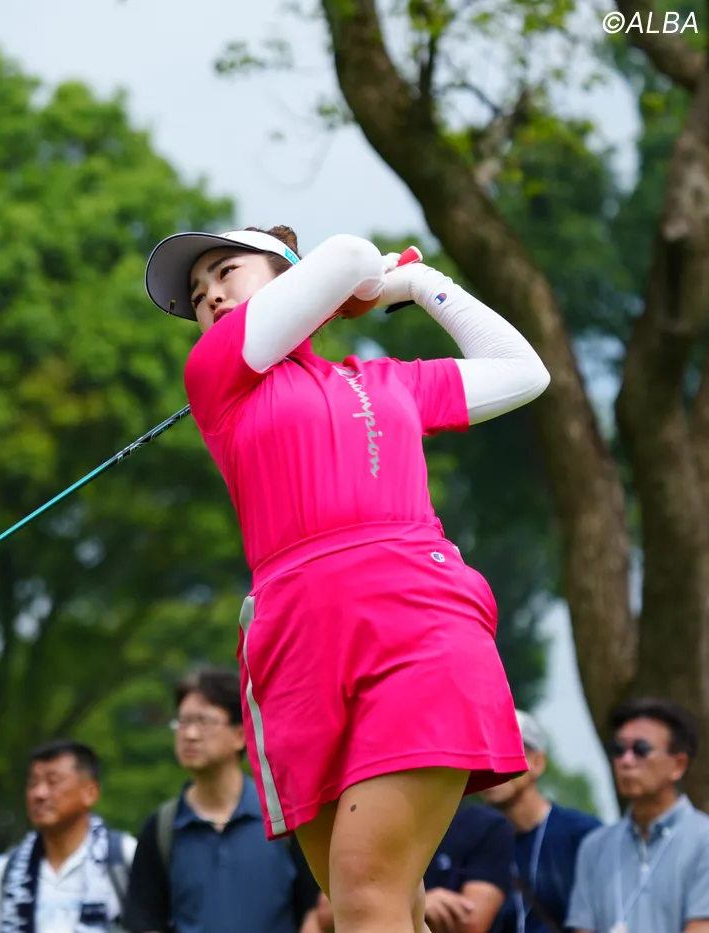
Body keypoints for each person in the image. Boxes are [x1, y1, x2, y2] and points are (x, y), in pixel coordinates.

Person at [143, 226, 551, 933]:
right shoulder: (215, 372)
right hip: (293, 651)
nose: (208, 296)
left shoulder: (388, 382)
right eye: (196, 293)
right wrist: (353, 288)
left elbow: (523, 371)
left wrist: (416, 285)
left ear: (288, 273)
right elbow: (352, 259)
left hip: (418, 623)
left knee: (365, 895)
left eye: (226, 271)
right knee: (377, 904)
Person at [123, 666, 320, 933]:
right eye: (183, 721)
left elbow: (315, 911)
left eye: (204, 721)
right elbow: (146, 922)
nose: (190, 735)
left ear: (240, 735)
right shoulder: (161, 828)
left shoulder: (282, 817)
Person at [566, 698, 709, 933]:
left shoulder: (704, 840)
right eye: (618, 750)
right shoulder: (595, 846)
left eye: (641, 749)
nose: (626, 761)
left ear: (678, 765)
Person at [0, 740, 135, 933]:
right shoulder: (9, 869)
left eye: (53, 782)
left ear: (90, 793)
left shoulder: (124, 857)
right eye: (33, 783)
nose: (39, 794)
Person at [310, 802, 514, 933]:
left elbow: (472, 921)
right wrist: (422, 905)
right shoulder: (369, 820)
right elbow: (325, 913)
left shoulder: (485, 824)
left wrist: (390, 903)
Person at [486, 711, 602, 933]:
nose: (490, 764)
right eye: (481, 753)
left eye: (504, 751)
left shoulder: (583, 834)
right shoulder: (472, 840)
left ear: (537, 762)